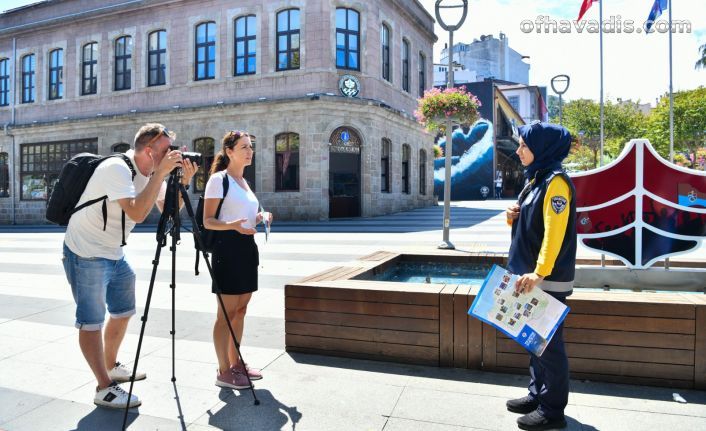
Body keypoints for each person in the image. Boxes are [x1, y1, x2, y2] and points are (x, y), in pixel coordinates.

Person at [62, 123, 197, 409]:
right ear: (150, 150)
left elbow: (169, 211)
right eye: (166, 150)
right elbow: (136, 210)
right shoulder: (117, 168)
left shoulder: (151, 174)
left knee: (123, 311)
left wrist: (181, 183)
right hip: (85, 251)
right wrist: (160, 175)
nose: (172, 154)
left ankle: (110, 366)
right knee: (91, 320)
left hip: (113, 251)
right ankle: (103, 387)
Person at [505, 122, 576, 431]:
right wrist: (512, 218)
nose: (518, 150)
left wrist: (539, 273)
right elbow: (532, 229)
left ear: (542, 148)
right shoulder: (536, 180)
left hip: (544, 280)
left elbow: (554, 235)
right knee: (534, 342)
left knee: (549, 345)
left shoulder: (555, 183)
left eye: (524, 145)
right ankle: (538, 394)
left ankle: (552, 411)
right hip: (530, 277)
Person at [203, 130, 273, 390]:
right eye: (244, 146)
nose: (249, 151)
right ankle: (223, 371)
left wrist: (260, 219)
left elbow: (243, 216)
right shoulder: (217, 180)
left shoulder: (243, 181)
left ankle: (236, 363)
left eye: (250, 146)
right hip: (227, 250)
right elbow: (207, 221)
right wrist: (232, 227)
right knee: (225, 314)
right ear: (229, 152)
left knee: (241, 311)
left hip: (246, 248)